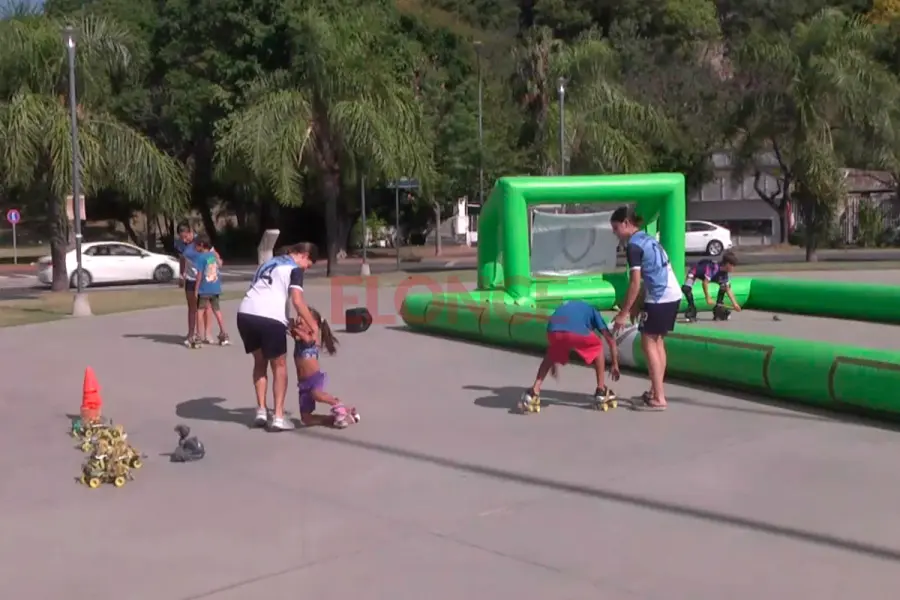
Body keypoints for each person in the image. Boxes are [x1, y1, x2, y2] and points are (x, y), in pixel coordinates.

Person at [236, 242, 318, 431]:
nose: (306, 269)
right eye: (308, 264)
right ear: (304, 256)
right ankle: (279, 417)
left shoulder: (267, 264)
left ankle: (261, 410)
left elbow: (265, 292)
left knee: (259, 362)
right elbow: (297, 300)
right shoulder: (294, 269)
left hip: (246, 313)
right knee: (279, 366)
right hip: (270, 319)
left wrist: (284, 320)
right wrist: (314, 326)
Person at [610, 206, 681, 411]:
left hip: (659, 297)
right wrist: (636, 306)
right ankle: (655, 391)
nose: (615, 233)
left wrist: (623, 313)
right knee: (657, 342)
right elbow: (648, 277)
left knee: (648, 343)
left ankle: (659, 398)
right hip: (671, 293)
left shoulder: (633, 246)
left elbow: (635, 283)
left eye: (616, 228)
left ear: (626, 223)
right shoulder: (647, 239)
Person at [519, 300, 621, 412]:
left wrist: (553, 362)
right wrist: (615, 364)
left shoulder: (573, 306)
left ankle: (534, 391)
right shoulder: (594, 312)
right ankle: (600, 390)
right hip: (574, 332)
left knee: (550, 354)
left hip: (552, 331)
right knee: (598, 346)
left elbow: (558, 330)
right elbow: (610, 340)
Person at [289, 307, 360, 428]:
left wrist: (292, 327)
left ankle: (338, 404)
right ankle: (339, 417)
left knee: (316, 394)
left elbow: (307, 339)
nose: (299, 320)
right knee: (306, 419)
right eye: (298, 317)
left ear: (314, 324)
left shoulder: (313, 335)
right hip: (303, 384)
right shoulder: (298, 336)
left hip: (315, 378)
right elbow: (291, 330)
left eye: (303, 318)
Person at [175, 223, 222, 347]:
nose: (184, 240)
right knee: (192, 307)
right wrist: (181, 275)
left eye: (186, 237)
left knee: (206, 307)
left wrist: (215, 267)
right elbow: (182, 259)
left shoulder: (200, 241)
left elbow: (213, 255)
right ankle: (191, 334)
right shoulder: (181, 245)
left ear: (191, 232)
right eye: (182, 238)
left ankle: (207, 334)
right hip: (190, 278)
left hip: (204, 279)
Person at [682, 251, 741, 322]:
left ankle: (718, 310)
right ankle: (691, 309)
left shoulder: (724, 274)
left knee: (724, 287)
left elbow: (728, 289)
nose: (733, 268)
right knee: (686, 288)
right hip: (695, 272)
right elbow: (704, 283)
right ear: (728, 264)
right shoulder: (714, 268)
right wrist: (708, 298)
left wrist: (735, 304)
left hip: (713, 277)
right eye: (733, 265)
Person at [192, 236, 230, 346]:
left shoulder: (201, 257)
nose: (195, 247)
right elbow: (218, 265)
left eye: (197, 245)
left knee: (200, 311)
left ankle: (198, 335)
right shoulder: (212, 256)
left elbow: (199, 275)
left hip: (204, 289)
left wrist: (196, 289)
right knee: (217, 310)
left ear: (201, 245)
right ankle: (223, 333)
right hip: (215, 288)